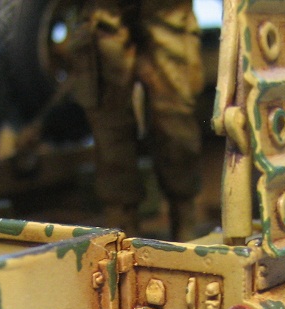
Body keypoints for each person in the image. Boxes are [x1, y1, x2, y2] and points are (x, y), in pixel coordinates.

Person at [70, 0, 204, 240]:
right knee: (109, 123)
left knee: (175, 117)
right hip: (104, 10)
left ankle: (185, 223)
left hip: (167, 9)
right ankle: (120, 231)